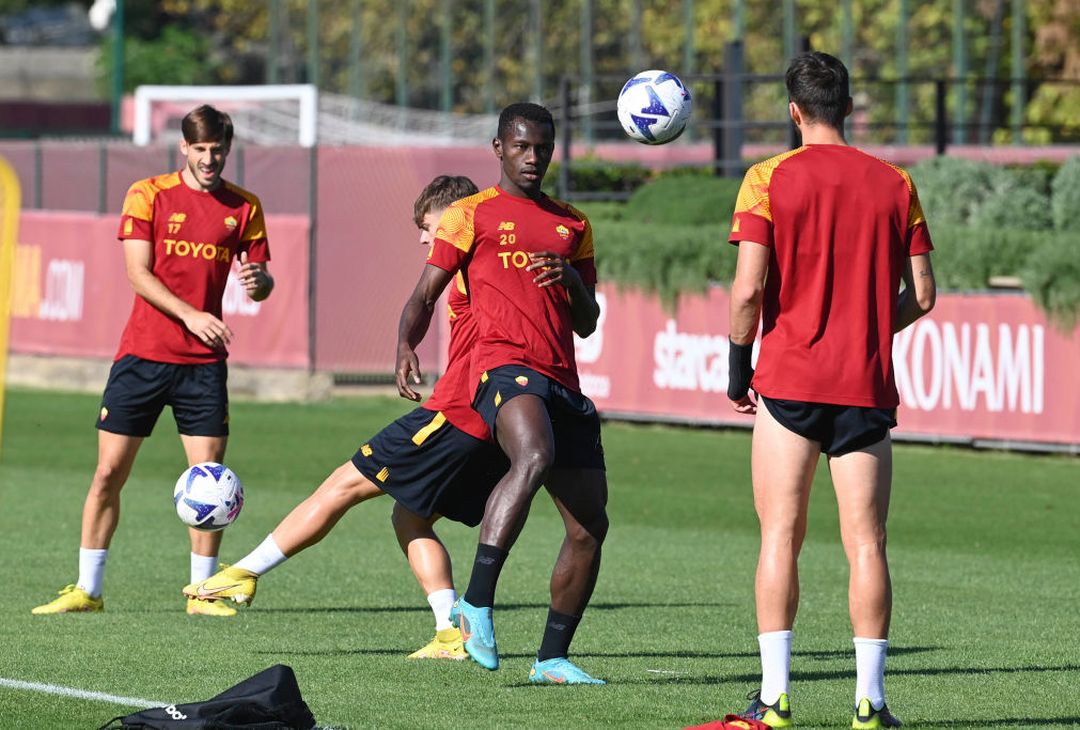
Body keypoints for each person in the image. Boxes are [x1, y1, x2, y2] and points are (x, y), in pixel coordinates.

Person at [185, 175, 509, 660]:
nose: (424, 239)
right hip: (496, 424)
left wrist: (406, 344)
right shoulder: (493, 262)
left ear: (456, 216)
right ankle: (449, 633)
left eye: (427, 226)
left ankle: (243, 573)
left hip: (456, 413)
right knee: (410, 517)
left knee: (343, 485)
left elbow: (424, 299)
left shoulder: (466, 257)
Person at [724, 52, 936, 729]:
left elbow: (748, 290)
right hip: (864, 388)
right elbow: (923, 294)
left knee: (780, 537)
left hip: (789, 383)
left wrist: (737, 367)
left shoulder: (766, 178)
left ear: (794, 111)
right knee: (867, 544)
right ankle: (871, 704)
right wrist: (866, 326)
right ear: (847, 107)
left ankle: (775, 700)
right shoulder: (895, 181)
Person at [395, 102, 609, 685]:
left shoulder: (574, 224)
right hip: (502, 365)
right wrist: (406, 343)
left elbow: (587, 322)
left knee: (589, 527)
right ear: (498, 148)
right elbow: (425, 293)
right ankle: (476, 603)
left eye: (542, 147)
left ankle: (552, 659)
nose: (533, 157)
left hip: (562, 377)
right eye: (521, 146)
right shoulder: (471, 215)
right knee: (533, 456)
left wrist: (570, 279)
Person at [32, 105, 275, 617]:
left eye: (217, 150)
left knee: (209, 481)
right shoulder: (148, 194)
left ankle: (202, 593)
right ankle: (88, 590)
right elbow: (138, 274)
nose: (209, 159)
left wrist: (260, 283)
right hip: (141, 357)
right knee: (107, 474)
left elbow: (261, 282)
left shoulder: (245, 207)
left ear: (228, 150)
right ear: (183, 147)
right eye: (200, 149)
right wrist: (191, 315)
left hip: (203, 366)